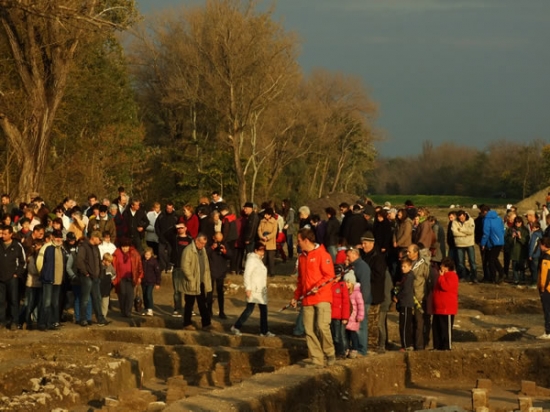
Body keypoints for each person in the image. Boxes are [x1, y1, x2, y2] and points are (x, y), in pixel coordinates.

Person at [290, 228, 336, 369]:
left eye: (299, 240)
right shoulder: (301, 258)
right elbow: (300, 280)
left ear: (306, 240)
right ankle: (317, 359)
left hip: (322, 297)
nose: (297, 243)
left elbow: (329, 276)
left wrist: (318, 287)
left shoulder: (323, 254)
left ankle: (330, 353)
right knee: (309, 329)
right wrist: (296, 297)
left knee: (322, 326)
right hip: (307, 299)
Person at [230, 242, 275, 336]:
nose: (262, 252)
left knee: (263, 310)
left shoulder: (259, 260)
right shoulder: (252, 260)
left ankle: (264, 331)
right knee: (249, 310)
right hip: (254, 289)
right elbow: (247, 275)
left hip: (261, 290)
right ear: (255, 250)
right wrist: (248, 288)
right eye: (260, 250)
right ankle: (236, 326)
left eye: (263, 250)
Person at [76, 231, 110, 326]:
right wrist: (85, 273)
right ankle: (83, 319)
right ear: (94, 237)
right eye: (99, 239)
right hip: (87, 277)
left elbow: (98, 261)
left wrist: (100, 274)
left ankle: (100, 318)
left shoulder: (96, 248)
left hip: (95, 277)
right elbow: (79, 261)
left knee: (97, 298)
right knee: (85, 298)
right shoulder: (83, 247)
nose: (100, 241)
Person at [36, 230, 67, 331]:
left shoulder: (61, 249)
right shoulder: (47, 247)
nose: (58, 239)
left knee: (55, 303)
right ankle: (42, 323)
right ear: (52, 237)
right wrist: (43, 274)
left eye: (60, 237)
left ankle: (52, 323)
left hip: (58, 280)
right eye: (56, 237)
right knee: (46, 302)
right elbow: (39, 262)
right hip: (48, 279)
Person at [181, 233, 212, 331]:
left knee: (202, 303)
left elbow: (206, 265)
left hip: (201, 281)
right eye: (201, 243)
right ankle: (187, 323)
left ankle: (206, 324)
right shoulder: (188, 250)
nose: (203, 245)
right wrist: (191, 279)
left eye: (204, 244)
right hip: (192, 282)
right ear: (196, 240)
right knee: (189, 304)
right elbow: (185, 266)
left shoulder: (203, 251)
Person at [0, 225, 26, 329]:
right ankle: (1, 321)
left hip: (12, 278)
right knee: (1, 301)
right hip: (0, 278)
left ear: (11, 234)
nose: (3, 236)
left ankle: (14, 321)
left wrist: (17, 273)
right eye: (2, 233)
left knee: (13, 301)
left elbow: (23, 262)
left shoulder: (17, 245)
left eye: (5, 234)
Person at [346, 247, 371, 355]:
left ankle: (362, 350)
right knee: (354, 326)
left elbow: (365, 286)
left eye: (348, 255)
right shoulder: (354, 266)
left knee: (361, 326)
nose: (347, 258)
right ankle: (355, 348)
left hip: (361, 301)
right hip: (356, 301)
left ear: (355, 254)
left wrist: (362, 301)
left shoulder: (362, 267)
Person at [112, 237, 144, 318]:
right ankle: (123, 311)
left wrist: (140, 276)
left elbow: (139, 265)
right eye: (123, 247)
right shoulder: (116, 253)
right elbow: (113, 266)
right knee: (122, 295)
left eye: (126, 247)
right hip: (120, 278)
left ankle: (128, 311)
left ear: (129, 246)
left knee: (130, 295)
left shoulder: (135, 254)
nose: (125, 248)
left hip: (131, 278)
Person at [432, 257, 459, 350]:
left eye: (442, 265)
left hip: (447, 308)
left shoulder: (452, 276)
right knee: (436, 328)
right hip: (438, 308)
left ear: (447, 267)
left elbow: (445, 287)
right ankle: (437, 346)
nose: (440, 267)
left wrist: (441, 277)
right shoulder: (441, 276)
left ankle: (447, 347)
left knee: (445, 329)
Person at [206, 232, 231, 319]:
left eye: (220, 240)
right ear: (213, 238)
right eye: (217, 240)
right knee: (209, 292)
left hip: (221, 271)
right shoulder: (209, 244)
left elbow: (230, 255)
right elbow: (205, 254)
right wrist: (212, 247)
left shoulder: (225, 244)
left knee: (220, 292)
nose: (219, 242)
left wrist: (225, 251)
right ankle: (209, 311)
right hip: (211, 271)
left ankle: (221, 312)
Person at [171, 223, 193, 317]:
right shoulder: (174, 239)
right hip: (177, 267)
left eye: (181, 228)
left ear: (186, 228)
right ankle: (177, 309)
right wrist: (174, 226)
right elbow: (165, 235)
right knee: (177, 290)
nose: (180, 229)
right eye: (178, 228)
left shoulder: (190, 240)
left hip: (188, 268)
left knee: (189, 290)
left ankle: (189, 308)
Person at [480, 209, 505, 284]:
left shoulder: (487, 220)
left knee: (491, 260)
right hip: (500, 241)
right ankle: (500, 273)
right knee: (494, 258)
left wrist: (483, 243)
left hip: (493, 242)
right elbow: (503, 230)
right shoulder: (499, 218)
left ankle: (495, 276)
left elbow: (486, 233)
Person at [395, 257, 415, 351]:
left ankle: (406, 345)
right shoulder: (405, 276)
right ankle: (406, 344)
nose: (403, 268)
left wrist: (397, 296)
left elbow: (406, 290)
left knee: (404, 325)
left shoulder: (409, 277)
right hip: (404, 303)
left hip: (406, 303)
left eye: (405, 266)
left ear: (410, 267)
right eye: (402, 266)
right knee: (404, 325)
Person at [330, 268, 351, 358]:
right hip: (330, 314)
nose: (337, 277)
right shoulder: (329, 285)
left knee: (338, 335)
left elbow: (346, 302)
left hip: (338, 316)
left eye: (339, 275)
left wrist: (345, 317)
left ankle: (341, 352)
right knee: (333, 334)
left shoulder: (342, 285)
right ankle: (337, 351)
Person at [345, 270, 364, 359]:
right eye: (346, 282)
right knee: (346, 334)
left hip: (354, 318)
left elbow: (360, 305)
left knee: (353, 334)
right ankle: (347, 348)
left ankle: (354, 348)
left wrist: (360, 316)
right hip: (347, 317)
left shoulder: (357, 293)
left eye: (348, 282)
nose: (347, 284)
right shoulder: (346, 293)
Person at [257, 207, 278, 276]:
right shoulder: (262, 221)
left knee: (271, 258)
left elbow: (274, 232)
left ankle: (271, 272)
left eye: (266, 214)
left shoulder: (274, 222)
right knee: (263, 258)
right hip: (263, 242)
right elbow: (259, 230)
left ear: (270, 215)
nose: (265, 215)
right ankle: (261, 271)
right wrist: (261, 236)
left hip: (271, 243)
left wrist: (268, 237)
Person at [537, 237, 550, 339]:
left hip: (547, 288)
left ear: (544, 245)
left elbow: (545, 274)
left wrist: (542, 287)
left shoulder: (546, 257)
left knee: (547, 310)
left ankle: (548, 332)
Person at [141, 247, 161, 316]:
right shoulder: (142, 260)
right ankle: (146, 308)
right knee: (144, 295)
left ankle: (150, 309)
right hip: (143, 281)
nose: (146, 256)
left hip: (151, 281)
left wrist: (158, 283)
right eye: (146, 254)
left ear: (151, 254)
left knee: (148, 294)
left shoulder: (154, 262)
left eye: (148, 255)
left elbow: (158, 273)